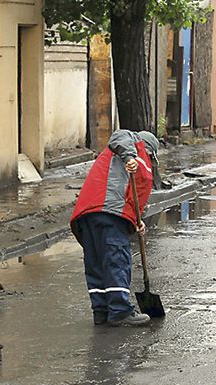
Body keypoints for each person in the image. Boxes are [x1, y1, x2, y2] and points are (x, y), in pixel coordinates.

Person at [70, 129, 160, 327]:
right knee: (117, 259)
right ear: (150, 151)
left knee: (96, 263)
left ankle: (101, 311)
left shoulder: (121, 159)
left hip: (90, 213)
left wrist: (137, 221)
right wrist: (130, 156)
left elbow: (130, 193)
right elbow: (120, 135)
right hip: (108, 212)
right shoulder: (131, 144)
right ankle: (119, 311)